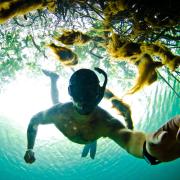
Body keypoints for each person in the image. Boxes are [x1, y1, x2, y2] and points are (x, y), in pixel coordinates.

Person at [24, 68, 180, 165]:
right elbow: (34, 121)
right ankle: (54, 79)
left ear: (98, 92)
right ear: (70, 93)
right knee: (56, 103)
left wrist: (147, 148)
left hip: (92, 132)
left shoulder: (106, 122)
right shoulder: (59, 112)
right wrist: (30, 148)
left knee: (59, 109)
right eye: (79, 92)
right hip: (84, 128)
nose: (84, 100)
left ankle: (91, 141)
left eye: (89, 92)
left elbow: (128, 138)